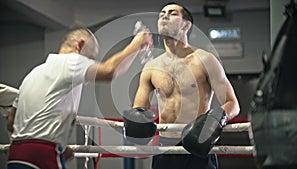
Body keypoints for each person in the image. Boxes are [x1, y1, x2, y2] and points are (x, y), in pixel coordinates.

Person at [7, 27, 152, 169]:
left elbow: (11, 121)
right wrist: (136, 45)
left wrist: (60, 147)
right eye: (90, 58)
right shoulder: (70, 61)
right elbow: (109, 71)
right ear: (80, 45)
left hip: (16, 155)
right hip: (42, 154)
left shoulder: (33, 74)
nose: (89, 63)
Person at [127, 3, 240, 169]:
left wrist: (215, 119)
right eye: (162, 14)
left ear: (186, 25)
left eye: (172, 13)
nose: (164, 16)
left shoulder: (205, 60)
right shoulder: (151, 67)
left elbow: (233, 104)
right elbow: (139, 109)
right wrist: (136, 120)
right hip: (165, 148)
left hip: (197, 146)